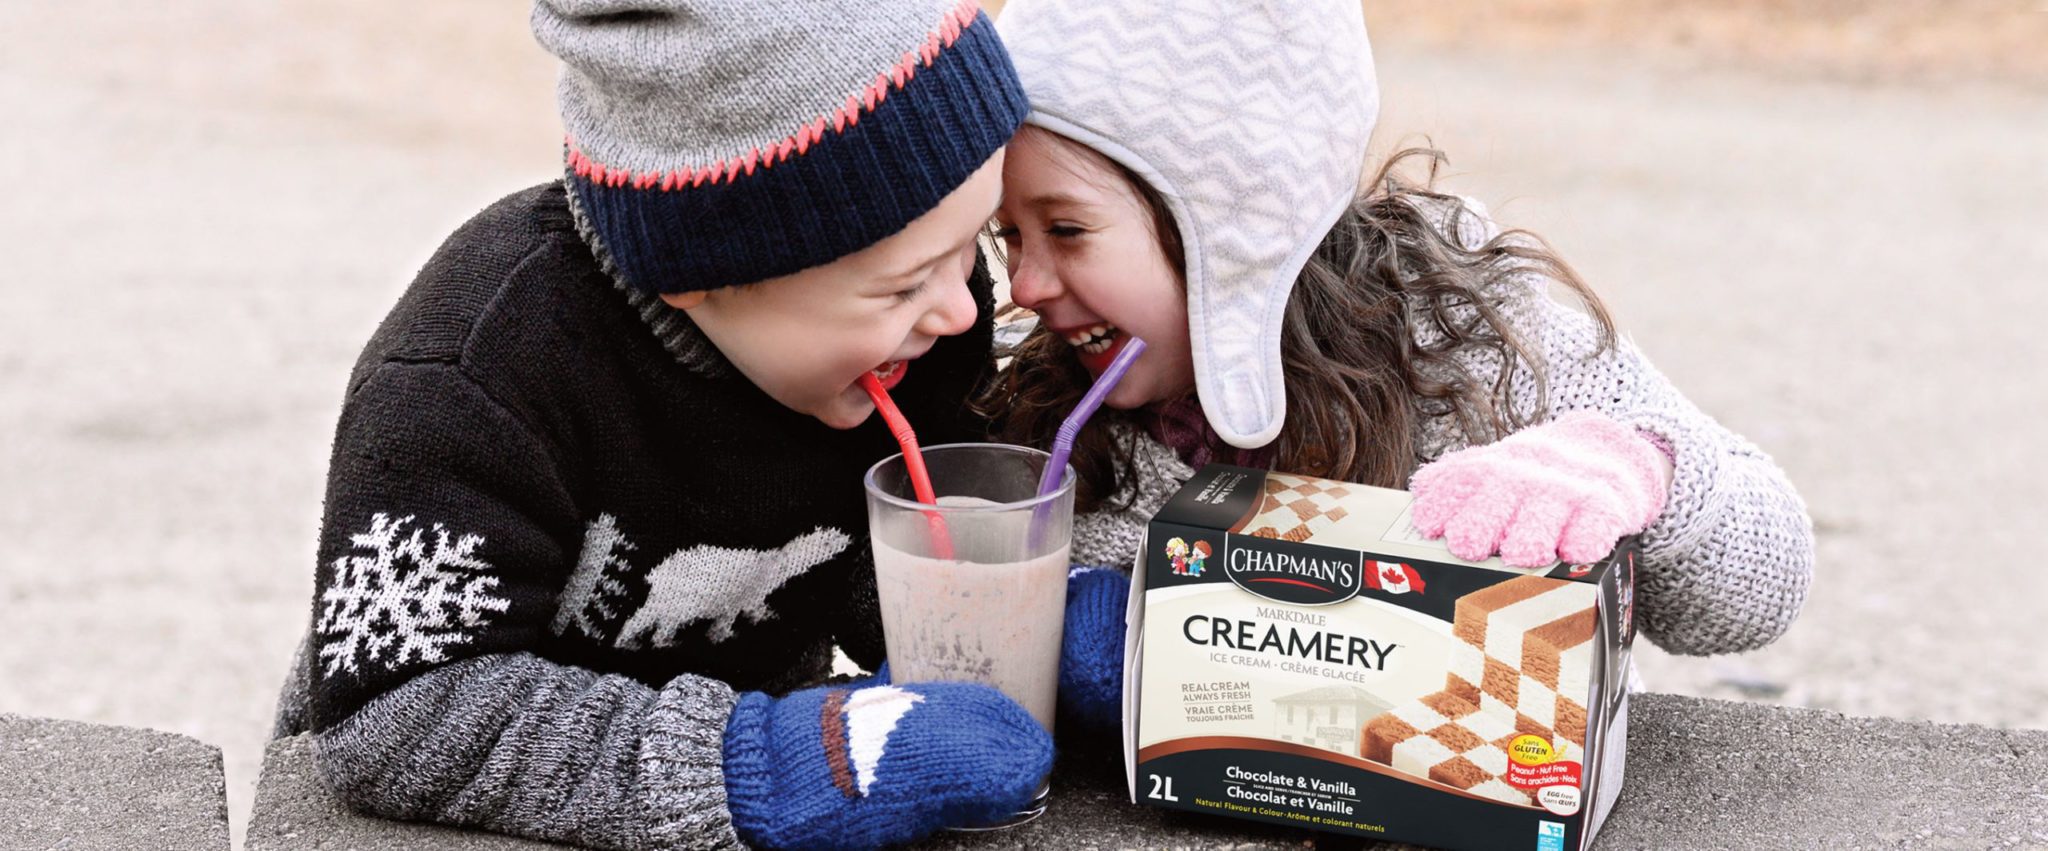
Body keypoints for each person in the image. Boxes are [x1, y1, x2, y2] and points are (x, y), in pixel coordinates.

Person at [269, 1, 1052, 848]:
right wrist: (761, 764)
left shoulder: (919, 335)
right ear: (703, 269)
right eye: (902, 284)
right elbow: (391, 712)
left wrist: (1017, 619)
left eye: (974, 242)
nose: (959, 307)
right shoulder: (474, 377)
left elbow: (857, 555)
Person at [991, 0, 1816, 733]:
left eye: (1065, 230)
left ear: (1226, 223)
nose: (1026, 285)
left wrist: (1643, 468)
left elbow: (1758, 596)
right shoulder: (1046, 421)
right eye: (1009, 237)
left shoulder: (1478, 344)